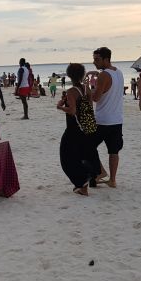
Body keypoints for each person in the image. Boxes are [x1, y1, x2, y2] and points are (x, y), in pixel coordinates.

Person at [56, 63, 101, 195]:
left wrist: (60, 107)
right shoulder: (86, 88)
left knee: (66, 157)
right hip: (87, 127)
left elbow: (72, 111)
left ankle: (81, 183)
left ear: (69, 75)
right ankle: (83, 186)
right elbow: (89, 105)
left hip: (73, 128)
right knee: (82, 155)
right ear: (82, 74)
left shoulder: (71, 91)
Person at [89, 46, 124, 188]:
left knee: (88, 146)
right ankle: (113, 180)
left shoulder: (104, 75)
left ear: (106, 59)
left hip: (103, 120)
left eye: (97, 59)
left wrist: (87, 90)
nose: (94, 62)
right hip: (116, 119)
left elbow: (96, 98)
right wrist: (96, 75)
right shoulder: (119, 72)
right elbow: (109, 87)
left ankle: (100, 172)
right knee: (113, 151)